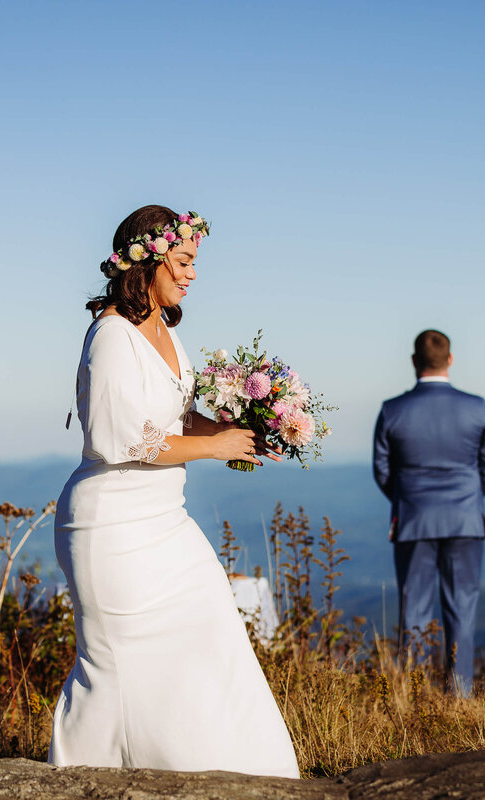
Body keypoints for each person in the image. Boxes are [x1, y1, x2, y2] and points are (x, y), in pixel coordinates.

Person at [49, 205, 299, 778]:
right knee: (114, 668)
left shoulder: (163, 329)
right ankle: (77, 779)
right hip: (110, 525)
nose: (191, 274)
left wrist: (245, 434)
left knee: (213, 638)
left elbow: (178, 420)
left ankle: (234, 774)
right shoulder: (110, 335)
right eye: (184, 261)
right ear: (148, 259)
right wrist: (217, 449)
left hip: (165, 519)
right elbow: (121, 438)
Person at [371, 329, 485, 695]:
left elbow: (382, 471)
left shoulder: (392, 410)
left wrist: (407, 499)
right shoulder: (476, 407)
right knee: (462, 609)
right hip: (466, 521)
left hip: (413, 519)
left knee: (414, 609)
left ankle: (413, 692)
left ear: (414, 361)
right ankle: (459, 693)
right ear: (451, 359)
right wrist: (469, 500)